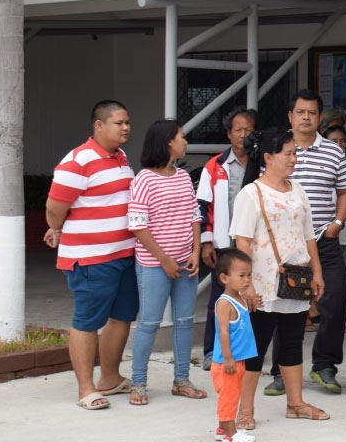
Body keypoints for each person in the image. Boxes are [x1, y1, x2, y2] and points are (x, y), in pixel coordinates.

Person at [230, 128, 329, 428]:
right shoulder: (251, 194)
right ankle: (245, 409)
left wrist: (317, 271)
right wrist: (246, 285)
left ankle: (295, 403)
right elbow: (242, 242)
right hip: (262, 284)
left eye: (294, 152)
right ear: (268, 157)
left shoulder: (298, 189)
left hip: (295, 281)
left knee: (292, 341)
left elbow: (309, 235)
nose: (293, 159)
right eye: (287, 153)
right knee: (256, 347)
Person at [44, 99, 138, 411]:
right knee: (86, 321)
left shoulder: (121, 157)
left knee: (122, 316)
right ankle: (86, 389)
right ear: (98, 125)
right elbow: (55, 207)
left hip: (125, 254)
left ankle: (109, 378)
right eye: (118, 123)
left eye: (127, 122)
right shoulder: (77, 161)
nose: (125, 128)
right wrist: (56, 229)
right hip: (90, 258)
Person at [267, 89, 346, 396]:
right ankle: (280, 371)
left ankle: (325, 365)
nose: (306, 117)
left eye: (312, 113)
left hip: (323, 241)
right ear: (290, 116)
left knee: (336, 299)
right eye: (300, 112)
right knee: (285, 307)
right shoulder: (277, 150)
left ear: (319, 117)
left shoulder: (333, 151)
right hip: (287, 244)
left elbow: (345, 191)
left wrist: (337, 224)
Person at [127, 119, 206, 405]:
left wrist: (195, 253)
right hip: (152, 265)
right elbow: (138, 225)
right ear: (167, 143)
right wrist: (164, 260)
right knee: (149, 323)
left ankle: (181, 380)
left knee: (185, 321)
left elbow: (195, 218)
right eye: (181, 137)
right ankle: (138, 384)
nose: (186, 142)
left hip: (186, 264)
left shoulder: (184, 177)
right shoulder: (144, 179)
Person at [199, 107, 256, 369]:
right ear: (229, 133)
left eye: (248, 130)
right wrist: (206, 241)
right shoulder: (214, 166)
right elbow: (202, 206)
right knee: (218, 300)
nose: (243, 135)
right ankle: (211, 351)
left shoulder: (262, 163)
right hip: (225, 245)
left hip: (255, 243)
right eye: (238, 130)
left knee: (253, 299)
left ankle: (247, 351)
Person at [211, 248, 258, 442]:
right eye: (241, 275)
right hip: (226, 362)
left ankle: (222, 430)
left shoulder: (240, 299)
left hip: (238, 360)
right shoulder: (224, 303)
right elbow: (223, 332)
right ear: (224, 278)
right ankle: (230, 434)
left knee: (234, 394)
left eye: (249, 275)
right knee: (229, 398)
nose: (247, 280)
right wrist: (228, 357)